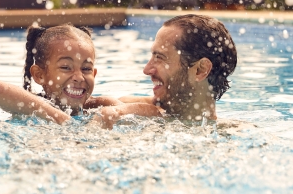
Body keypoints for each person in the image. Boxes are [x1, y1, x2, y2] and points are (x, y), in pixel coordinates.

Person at [94, 14, 238, 129]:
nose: (147, 70)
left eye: (160, 57)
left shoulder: (235, 134)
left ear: (200, 70)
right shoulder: (129, 112)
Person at [0, 24, 122, 124]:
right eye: (66, 67)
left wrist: (115, 113)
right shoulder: (30, 105)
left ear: (94, 74)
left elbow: (133, 109)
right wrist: (61, 119)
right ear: (39, 75)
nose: (79, 77)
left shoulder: (98, 106)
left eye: (86, 69)